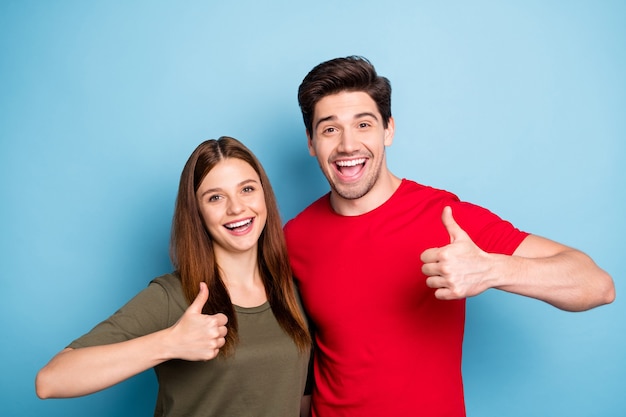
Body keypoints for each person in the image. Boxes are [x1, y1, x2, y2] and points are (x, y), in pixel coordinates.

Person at [283, 56, 615, 417]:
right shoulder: (295, 236)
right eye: (330, 129)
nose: (348, 145)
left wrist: (493, 270)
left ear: (388, 130)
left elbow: (596, 285)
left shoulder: (444, 217)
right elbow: (297, 356)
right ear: (311, 142)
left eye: (364, 124)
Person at [36, 137, 312, 417]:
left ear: (264, 195)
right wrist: (169, 343)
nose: (236, 208)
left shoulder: (293, 292)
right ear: (197, 213)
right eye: (215, 197)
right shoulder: (174, 296)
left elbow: (299, 399)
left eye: (247, 189)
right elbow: (51, 380)